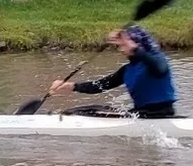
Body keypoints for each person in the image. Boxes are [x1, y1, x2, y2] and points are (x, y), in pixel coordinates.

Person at [48, 25, 178, 118]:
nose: (120, 50)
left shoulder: (157, 60)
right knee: (87, 109)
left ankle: (58, 119)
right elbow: (101, 86)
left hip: (160, 115)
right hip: (140, 114)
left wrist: (134, 49)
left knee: (88, 112)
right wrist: (71, 86)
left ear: (137, 44)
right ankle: (57, 117)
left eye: (123, 46)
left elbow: (161, 70)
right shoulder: (127, 70)